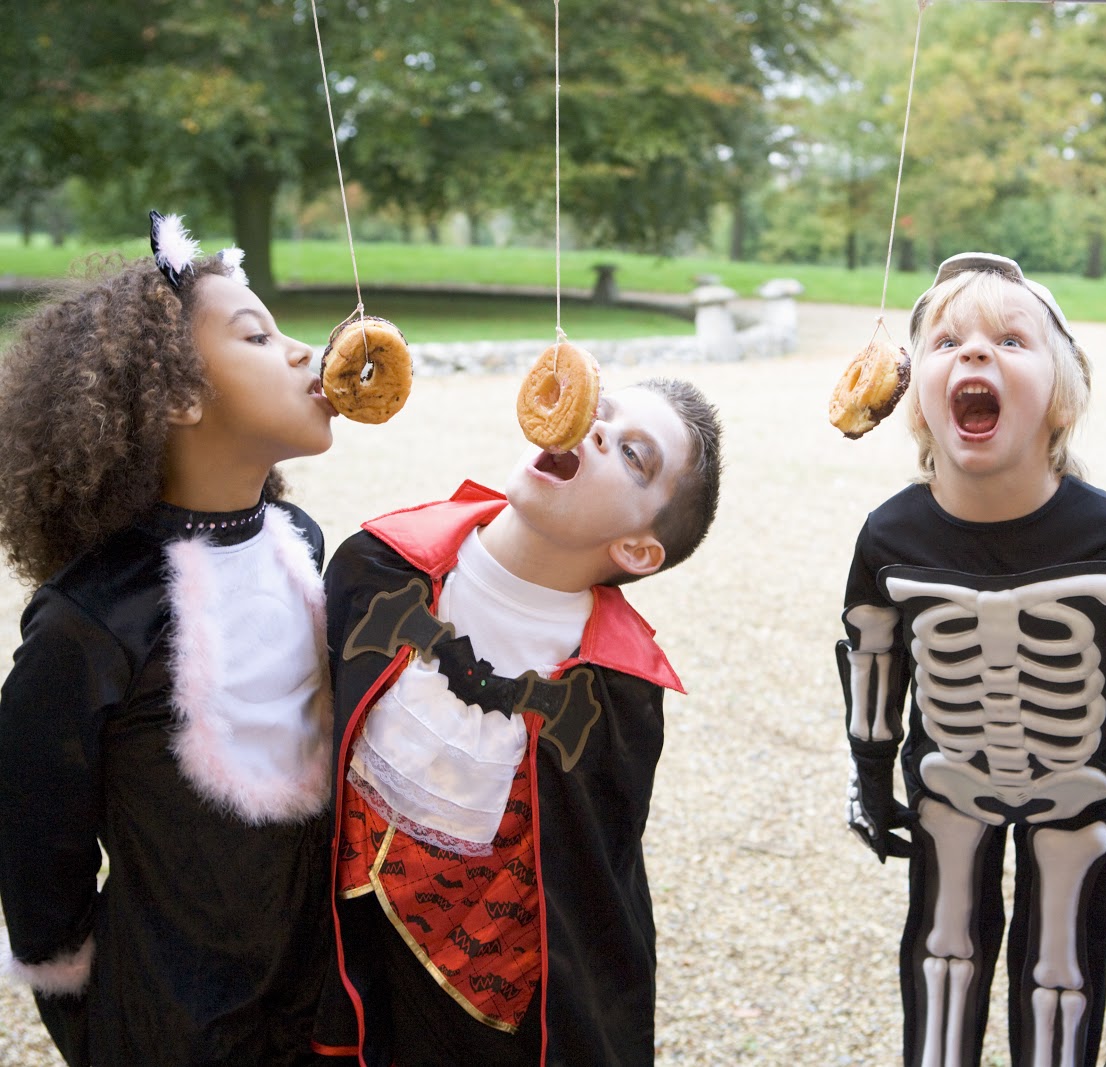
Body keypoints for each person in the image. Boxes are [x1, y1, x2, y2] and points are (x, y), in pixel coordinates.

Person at [838, 253, 1106, 1067]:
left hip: (1075, 789)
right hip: (949, 783)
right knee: (945, 954)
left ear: (1061, 395)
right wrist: (869, 776)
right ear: (916, 400)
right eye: (947, 341)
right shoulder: (890, 536)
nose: (975, 353)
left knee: (1063, 968)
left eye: (1011, 338)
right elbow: (872, 650)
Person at [0, 214, 340, 1065]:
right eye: (259, 335)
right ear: (178, 397)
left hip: (322, 1005)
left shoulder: (304, 543)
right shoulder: (92, 619)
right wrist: (89, 1015)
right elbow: (41, 852)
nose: (305, 352)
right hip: (167, 1022)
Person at [313, 378, 721, 1066]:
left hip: (499, 1027)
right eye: (601, 410)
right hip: (348, 988)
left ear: (638, 550)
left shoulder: (615, 695)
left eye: (631, 454)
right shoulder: (378, 567)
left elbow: (595, 890)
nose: (595, 430)